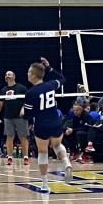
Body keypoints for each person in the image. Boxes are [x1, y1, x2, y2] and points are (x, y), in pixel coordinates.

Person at [22, 57, 73, 193]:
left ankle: (45, 184)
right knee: (56, 145)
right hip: (56, 122)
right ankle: (66, 163)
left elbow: (27, 115)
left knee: (43, 152)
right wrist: (50, 68)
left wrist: (22, 111)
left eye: (28, 72)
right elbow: (63, 79)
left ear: (33, 75)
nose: (27, 74)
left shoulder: (31, 93)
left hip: (42, 125)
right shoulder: (51, 85)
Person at [0, 71, 30, 166]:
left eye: (9, 75)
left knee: (23, 136)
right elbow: (0, 103)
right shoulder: (3, 90)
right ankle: (10, 157)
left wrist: (23, 109)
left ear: (14, 76)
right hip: (8, 117)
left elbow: (28, 100)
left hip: (20, 117)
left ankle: (25, 157)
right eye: (5, 75)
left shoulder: (21, 88)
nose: (7, 76)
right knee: (9, 136)